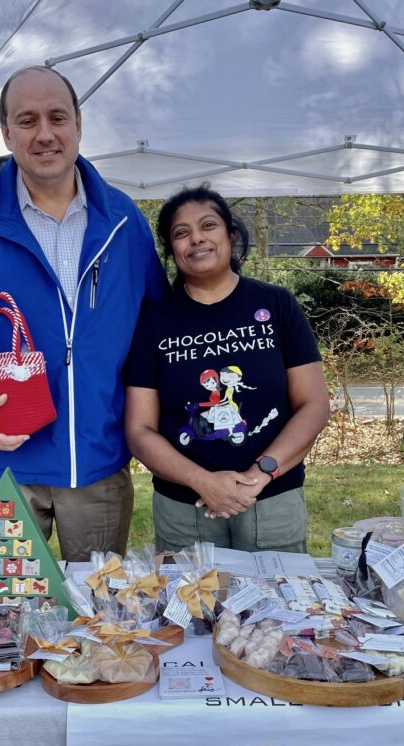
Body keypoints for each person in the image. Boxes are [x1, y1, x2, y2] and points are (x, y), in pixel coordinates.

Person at [0, 66, 167, 561]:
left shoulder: (123, 220)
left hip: (97, 466)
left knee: (97, 621)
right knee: (0, 618)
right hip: (0, 467)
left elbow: (155, 333)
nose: (45, 134)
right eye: (27, 120)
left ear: (78, 124)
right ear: (6, 132)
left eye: (57, 117)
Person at [124, 185, 330, 553]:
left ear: (230, 236)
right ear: (172, 250)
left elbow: (313, 405)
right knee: (192, 609)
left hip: (271, 498)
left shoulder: (277, 304)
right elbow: (140, 430)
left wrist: (261, 473)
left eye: (208, 226)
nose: (196, 239)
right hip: (184, 508)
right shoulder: (153, 322)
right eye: (181, 233)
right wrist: (203, 481)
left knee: (280, 609)